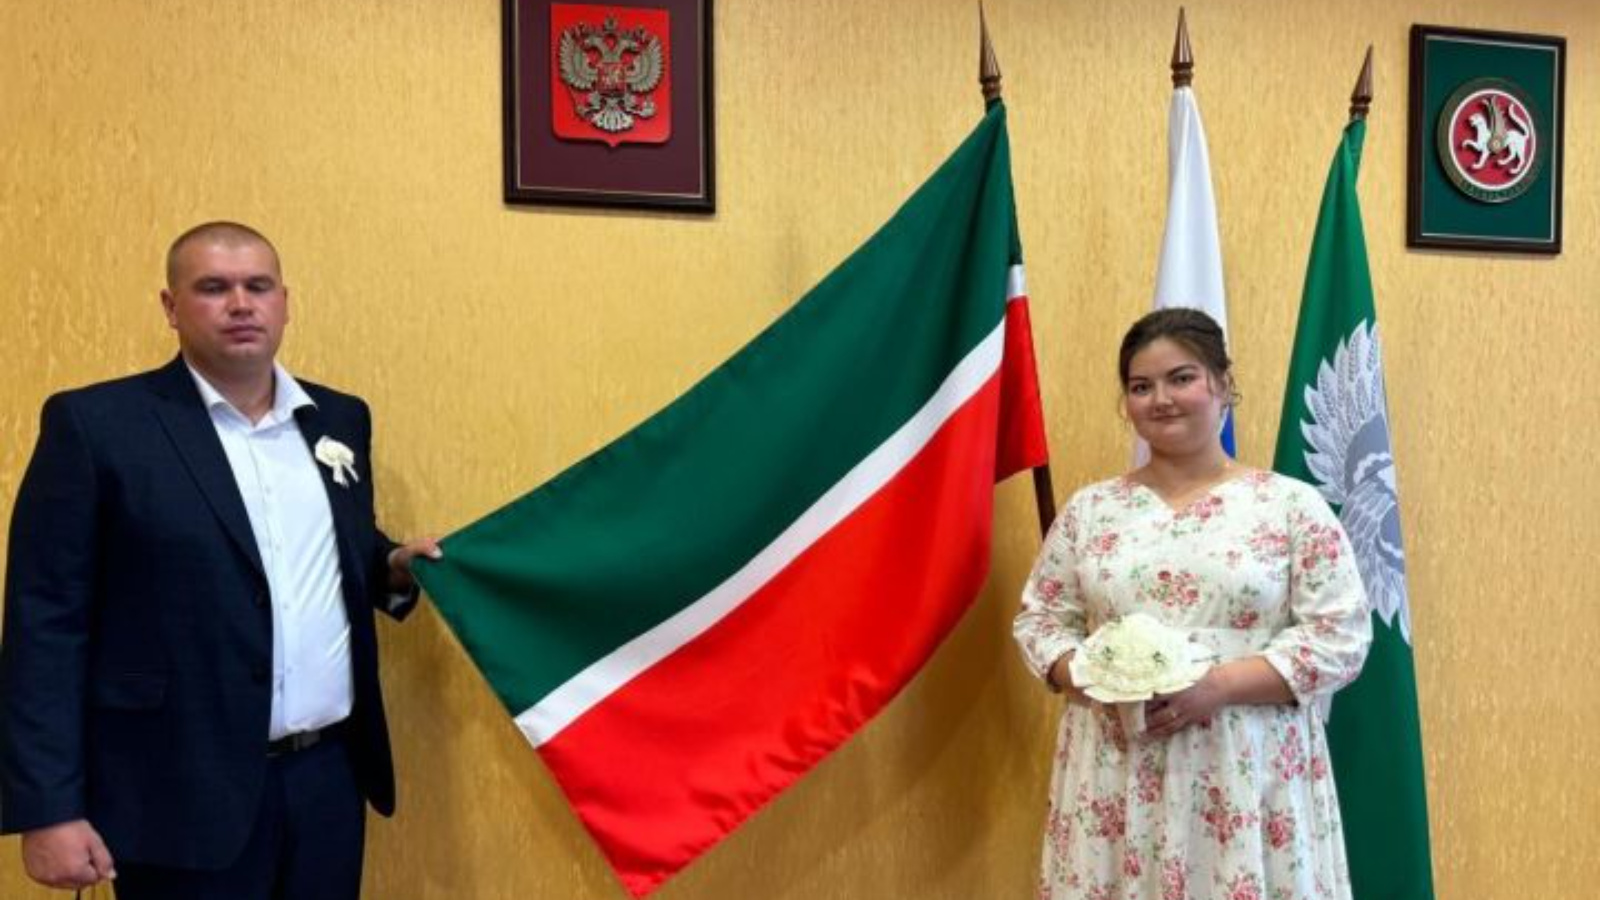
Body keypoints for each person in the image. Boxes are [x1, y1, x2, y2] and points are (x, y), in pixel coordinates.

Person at [0, 221, 441, 899]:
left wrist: (390, 566)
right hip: (176, 789)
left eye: (257, 287)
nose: (240, 304)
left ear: (284, 303)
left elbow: (328, 547)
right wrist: (48, 809)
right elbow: (45, 624)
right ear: (171, 307)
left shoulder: (338, 418)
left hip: (326, 781)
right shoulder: (97, 426)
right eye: (213, 288)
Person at [1013, 308, 1372, 900]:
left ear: (1223, 383)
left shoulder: (1289, 506)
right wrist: (1090, 675)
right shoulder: (1091, 511)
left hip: (1246, 769)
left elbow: (1341, 634)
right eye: (1141, 386)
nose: (1161, 399)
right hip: (1115, 768)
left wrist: (1218, 686)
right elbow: (1041, 620)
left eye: (1181, 378)